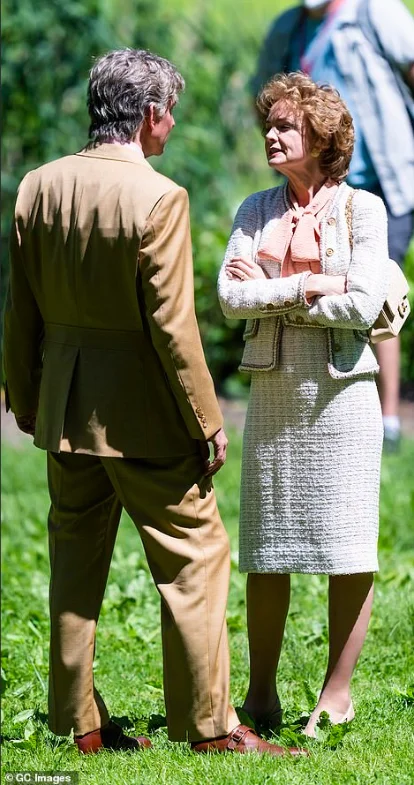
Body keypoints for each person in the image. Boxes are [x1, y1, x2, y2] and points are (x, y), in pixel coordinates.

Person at [3, 48, 305, 757]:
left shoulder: (36, 187)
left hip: (65, 410)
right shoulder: (159, 197)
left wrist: (24, 394)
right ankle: (211, 728)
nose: (171, 124)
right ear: (148, 115)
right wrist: (207, 420)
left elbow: (20, 310)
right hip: (144, 416)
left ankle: (76, 723)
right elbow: (173, 327)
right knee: (197, 558)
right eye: (169, 111)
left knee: (74, 565)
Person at [218, 72, 390, 737]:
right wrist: (313, 286)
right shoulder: (254, 209)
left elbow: (364, 303)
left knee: (348, 545)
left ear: (321, 138)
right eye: (269, 124)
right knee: (268, 547)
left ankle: (336, 695)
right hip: (274, 394)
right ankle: (260, 696)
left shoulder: (364, 210)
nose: (271, 134)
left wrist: (274, 286)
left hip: (343, 397)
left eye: (285, 125)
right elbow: (230, 298)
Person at [251, 0, 414, 450]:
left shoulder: (375, 11)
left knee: (375, 286)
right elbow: (260, 97)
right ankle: (319, 405)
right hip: (314, 187)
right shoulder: (288, 27)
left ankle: (387, 419)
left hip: (383, 181)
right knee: (317, 278)